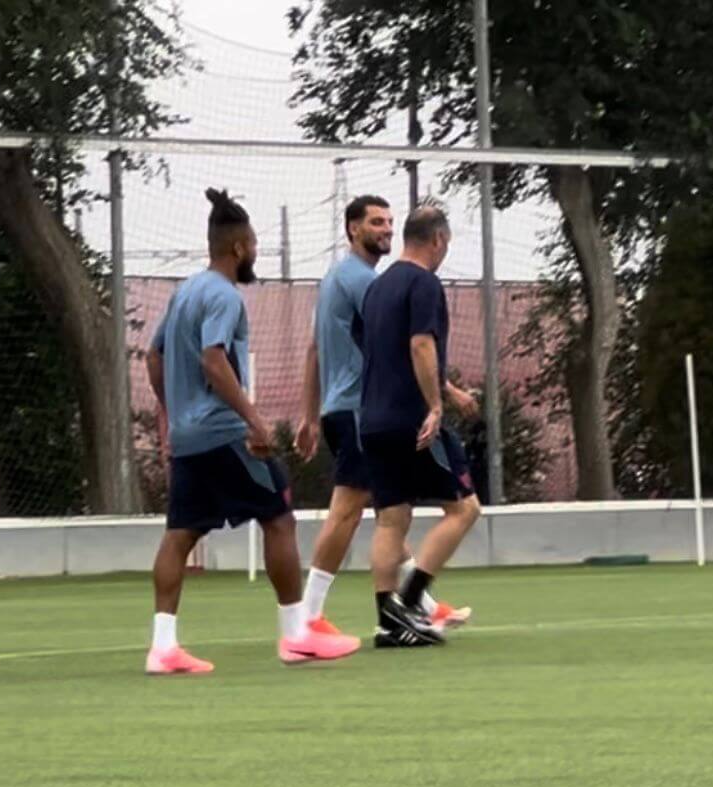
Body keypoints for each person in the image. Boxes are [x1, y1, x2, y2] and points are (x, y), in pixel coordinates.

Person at [143, 188, 361, 675]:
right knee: (279, 516)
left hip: (188, 438)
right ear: (239, 248)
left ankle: (162, 647)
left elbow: (153, 357)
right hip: (224, 434)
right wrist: (254, 420)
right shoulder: (224, 297)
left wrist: (172, 415)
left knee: (179, 535)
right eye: (255, 244)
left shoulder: (185, 292)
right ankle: (295, 635)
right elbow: (214, 359)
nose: (256, 252)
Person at [294, 196, 476, 636]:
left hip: (358, 412)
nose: (385, 229)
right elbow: (410, 346)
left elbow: (317, 347)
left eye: (390, 222)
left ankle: (404, 607)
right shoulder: (367, 282)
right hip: (374, 410)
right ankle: (311, 615)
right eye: (376, 222)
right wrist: (442, 397)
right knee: (354, 511)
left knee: (392, 515)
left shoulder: (350, 280)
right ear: (351, 228)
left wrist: (310, 413)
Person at [358, 205, 482, 648]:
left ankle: (386, 624)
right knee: (464, 509)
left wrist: (447, 390)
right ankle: (409, 604)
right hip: (412, 421)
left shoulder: (377, 289)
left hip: (371, 419)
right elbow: (420, 345)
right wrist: (434, 405)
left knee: (391, 520)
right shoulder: (424, 283)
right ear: (438, 241)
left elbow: (386, 352)